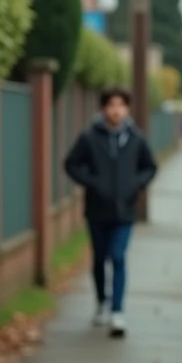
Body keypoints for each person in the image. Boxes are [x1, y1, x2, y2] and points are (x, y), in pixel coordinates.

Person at [64, 86, 159, 337]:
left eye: (121, 105)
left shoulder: (136, 138)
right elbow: (71, 164)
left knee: (117, 257)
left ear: (127, 109)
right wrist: (92, 183)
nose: (116, 111)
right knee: (99, 258)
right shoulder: (89, 137)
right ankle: (101, 302)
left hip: (125, 210)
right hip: (97, 209)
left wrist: (136, 184)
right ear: (103, 108)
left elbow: (150, 167)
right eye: (111, 105)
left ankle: (117, 310)